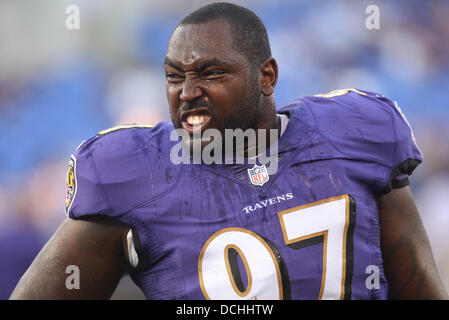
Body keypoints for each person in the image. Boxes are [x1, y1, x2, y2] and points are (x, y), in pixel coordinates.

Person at [10, 2, 448, 300]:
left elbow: (421, 287)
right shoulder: (131, 174)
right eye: (174, 76)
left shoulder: (355, 133)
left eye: (210, 72)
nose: (187, 92)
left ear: (267, 77)